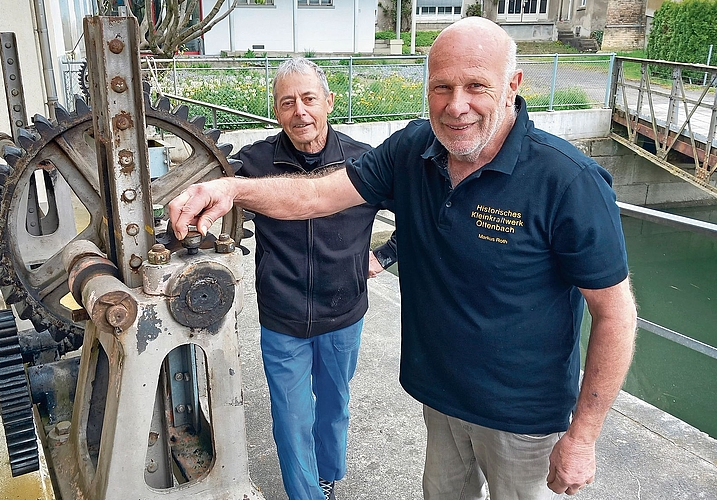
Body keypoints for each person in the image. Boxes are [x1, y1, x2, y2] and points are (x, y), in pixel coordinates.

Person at [169, 18, 637, 500]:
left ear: (513, 86)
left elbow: (615, 314)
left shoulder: (569, 180)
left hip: (522, 419)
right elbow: (315, 196)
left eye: (477, 86)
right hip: (441, 400)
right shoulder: (413, 150)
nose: (456, 105)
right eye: (442, 87)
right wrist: (232, 189)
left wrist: (583, 437)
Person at [230, 57, 397, 500]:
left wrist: (384, 256)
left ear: (329, 102)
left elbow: (420, 209)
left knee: (334, 405)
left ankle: (328, 473)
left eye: (308, 99)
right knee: (290, 418)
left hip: (344, 312)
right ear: (276, 110)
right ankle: (307, 495)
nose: (299, 111)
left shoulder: (363, 161)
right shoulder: (254, 163)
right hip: (282, 316)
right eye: (287, 102)